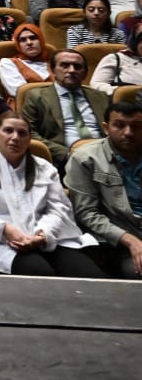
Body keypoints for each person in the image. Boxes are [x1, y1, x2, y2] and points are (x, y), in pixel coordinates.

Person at [0, 110, 105, 277]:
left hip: (49, 237)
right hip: (5, 242)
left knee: (91, 275)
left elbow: (59, 208)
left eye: (22, 133)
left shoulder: (45, 167)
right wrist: (4, 228)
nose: (15, 137)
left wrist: (43, 234)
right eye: (8, 131)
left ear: (29, 140)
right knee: (41, 274)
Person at [65, 99, 142, 277]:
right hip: (118, 242)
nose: (128, 132)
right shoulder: (86, 158)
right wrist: (131, 241)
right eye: (119, 125)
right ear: (106, 128)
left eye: (136, 126)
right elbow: (86, 213)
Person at [17, 49, 111, 168]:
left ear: (85, 73)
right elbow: (29, 133)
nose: (72, 70)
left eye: (77, 66)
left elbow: (113, 127)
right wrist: (66, 154)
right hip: (62, 159)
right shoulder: (36, 96)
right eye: (65, 65)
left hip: (104, 155)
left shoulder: (100, 96)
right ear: (53, 70)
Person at [0, 23, 51, 103]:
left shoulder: (53, 61)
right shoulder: (8, 63)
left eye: (33, 38)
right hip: (24, 106)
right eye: (23, 40)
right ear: (18, 44)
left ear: (41, 40)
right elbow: (21, 92)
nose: (29, 42)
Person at [92, 27, 142, 94]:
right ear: (134, 42)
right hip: (125, 99)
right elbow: (96, 84)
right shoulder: (115, 58)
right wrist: (119, 92)